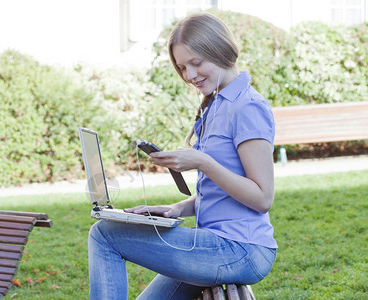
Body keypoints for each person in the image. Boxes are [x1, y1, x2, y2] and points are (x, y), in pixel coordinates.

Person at [88, 12, 277, 300]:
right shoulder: (215, 105)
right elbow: (222, 194)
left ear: (221, 51)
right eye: (182, 67)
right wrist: (176, 208)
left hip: (240, 249)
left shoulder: (247, 107)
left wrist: (201, 161)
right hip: (216, 247)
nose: (189, 75)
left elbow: (262, 198)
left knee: (104, 234)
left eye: (197, 63)